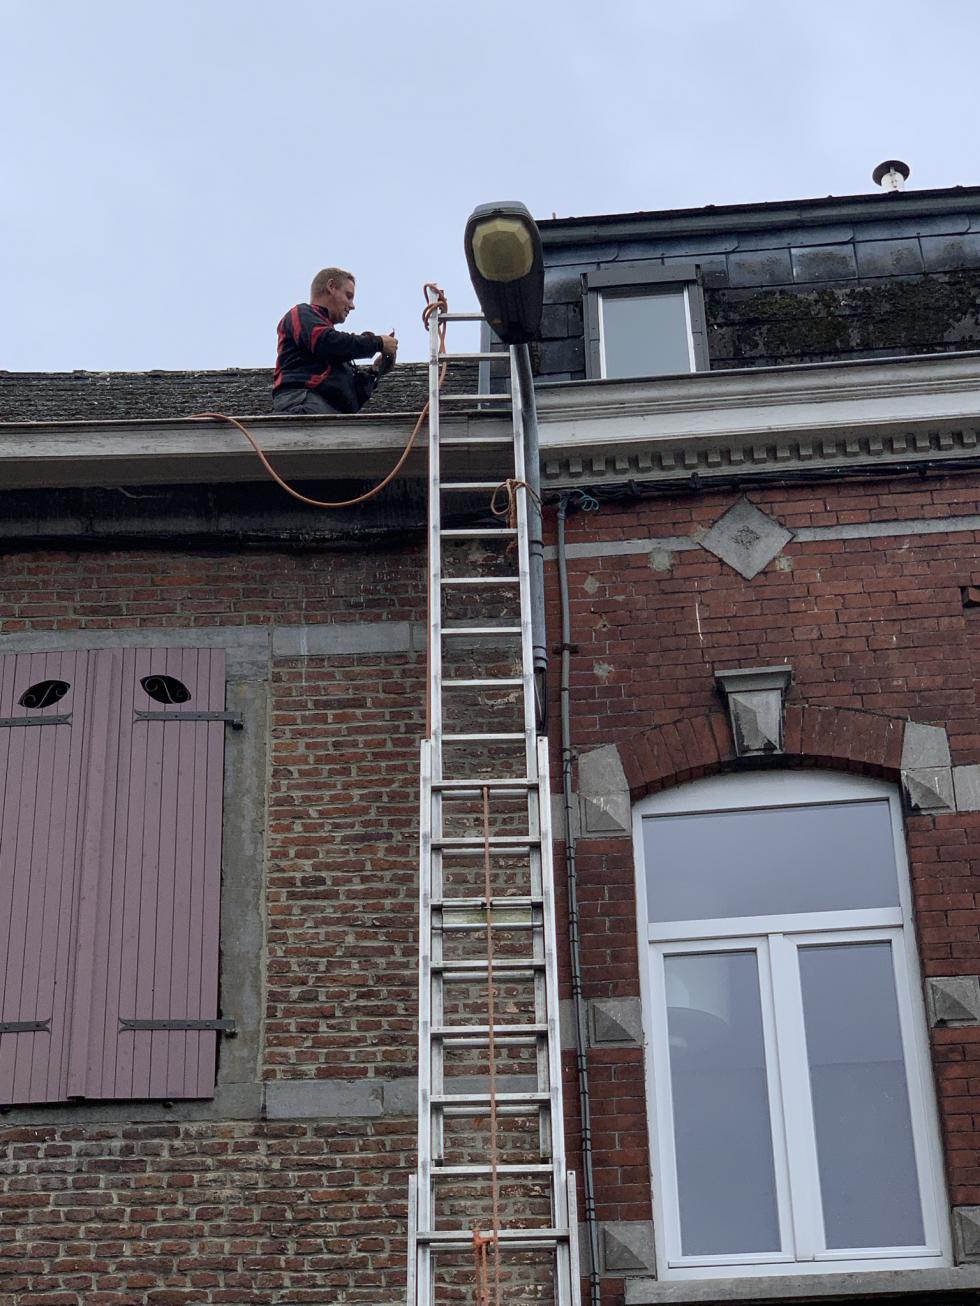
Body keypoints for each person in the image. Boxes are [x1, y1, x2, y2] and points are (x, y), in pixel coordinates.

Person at [273, 268, 398, 415]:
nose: (352, 306)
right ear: (331, 286)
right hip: (305, 402)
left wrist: (375, 371)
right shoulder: (301, 313)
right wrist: (377, 343)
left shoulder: (337, 353)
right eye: (348, 296)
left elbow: (351, 401)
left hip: (326, 411)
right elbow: (326, 342)